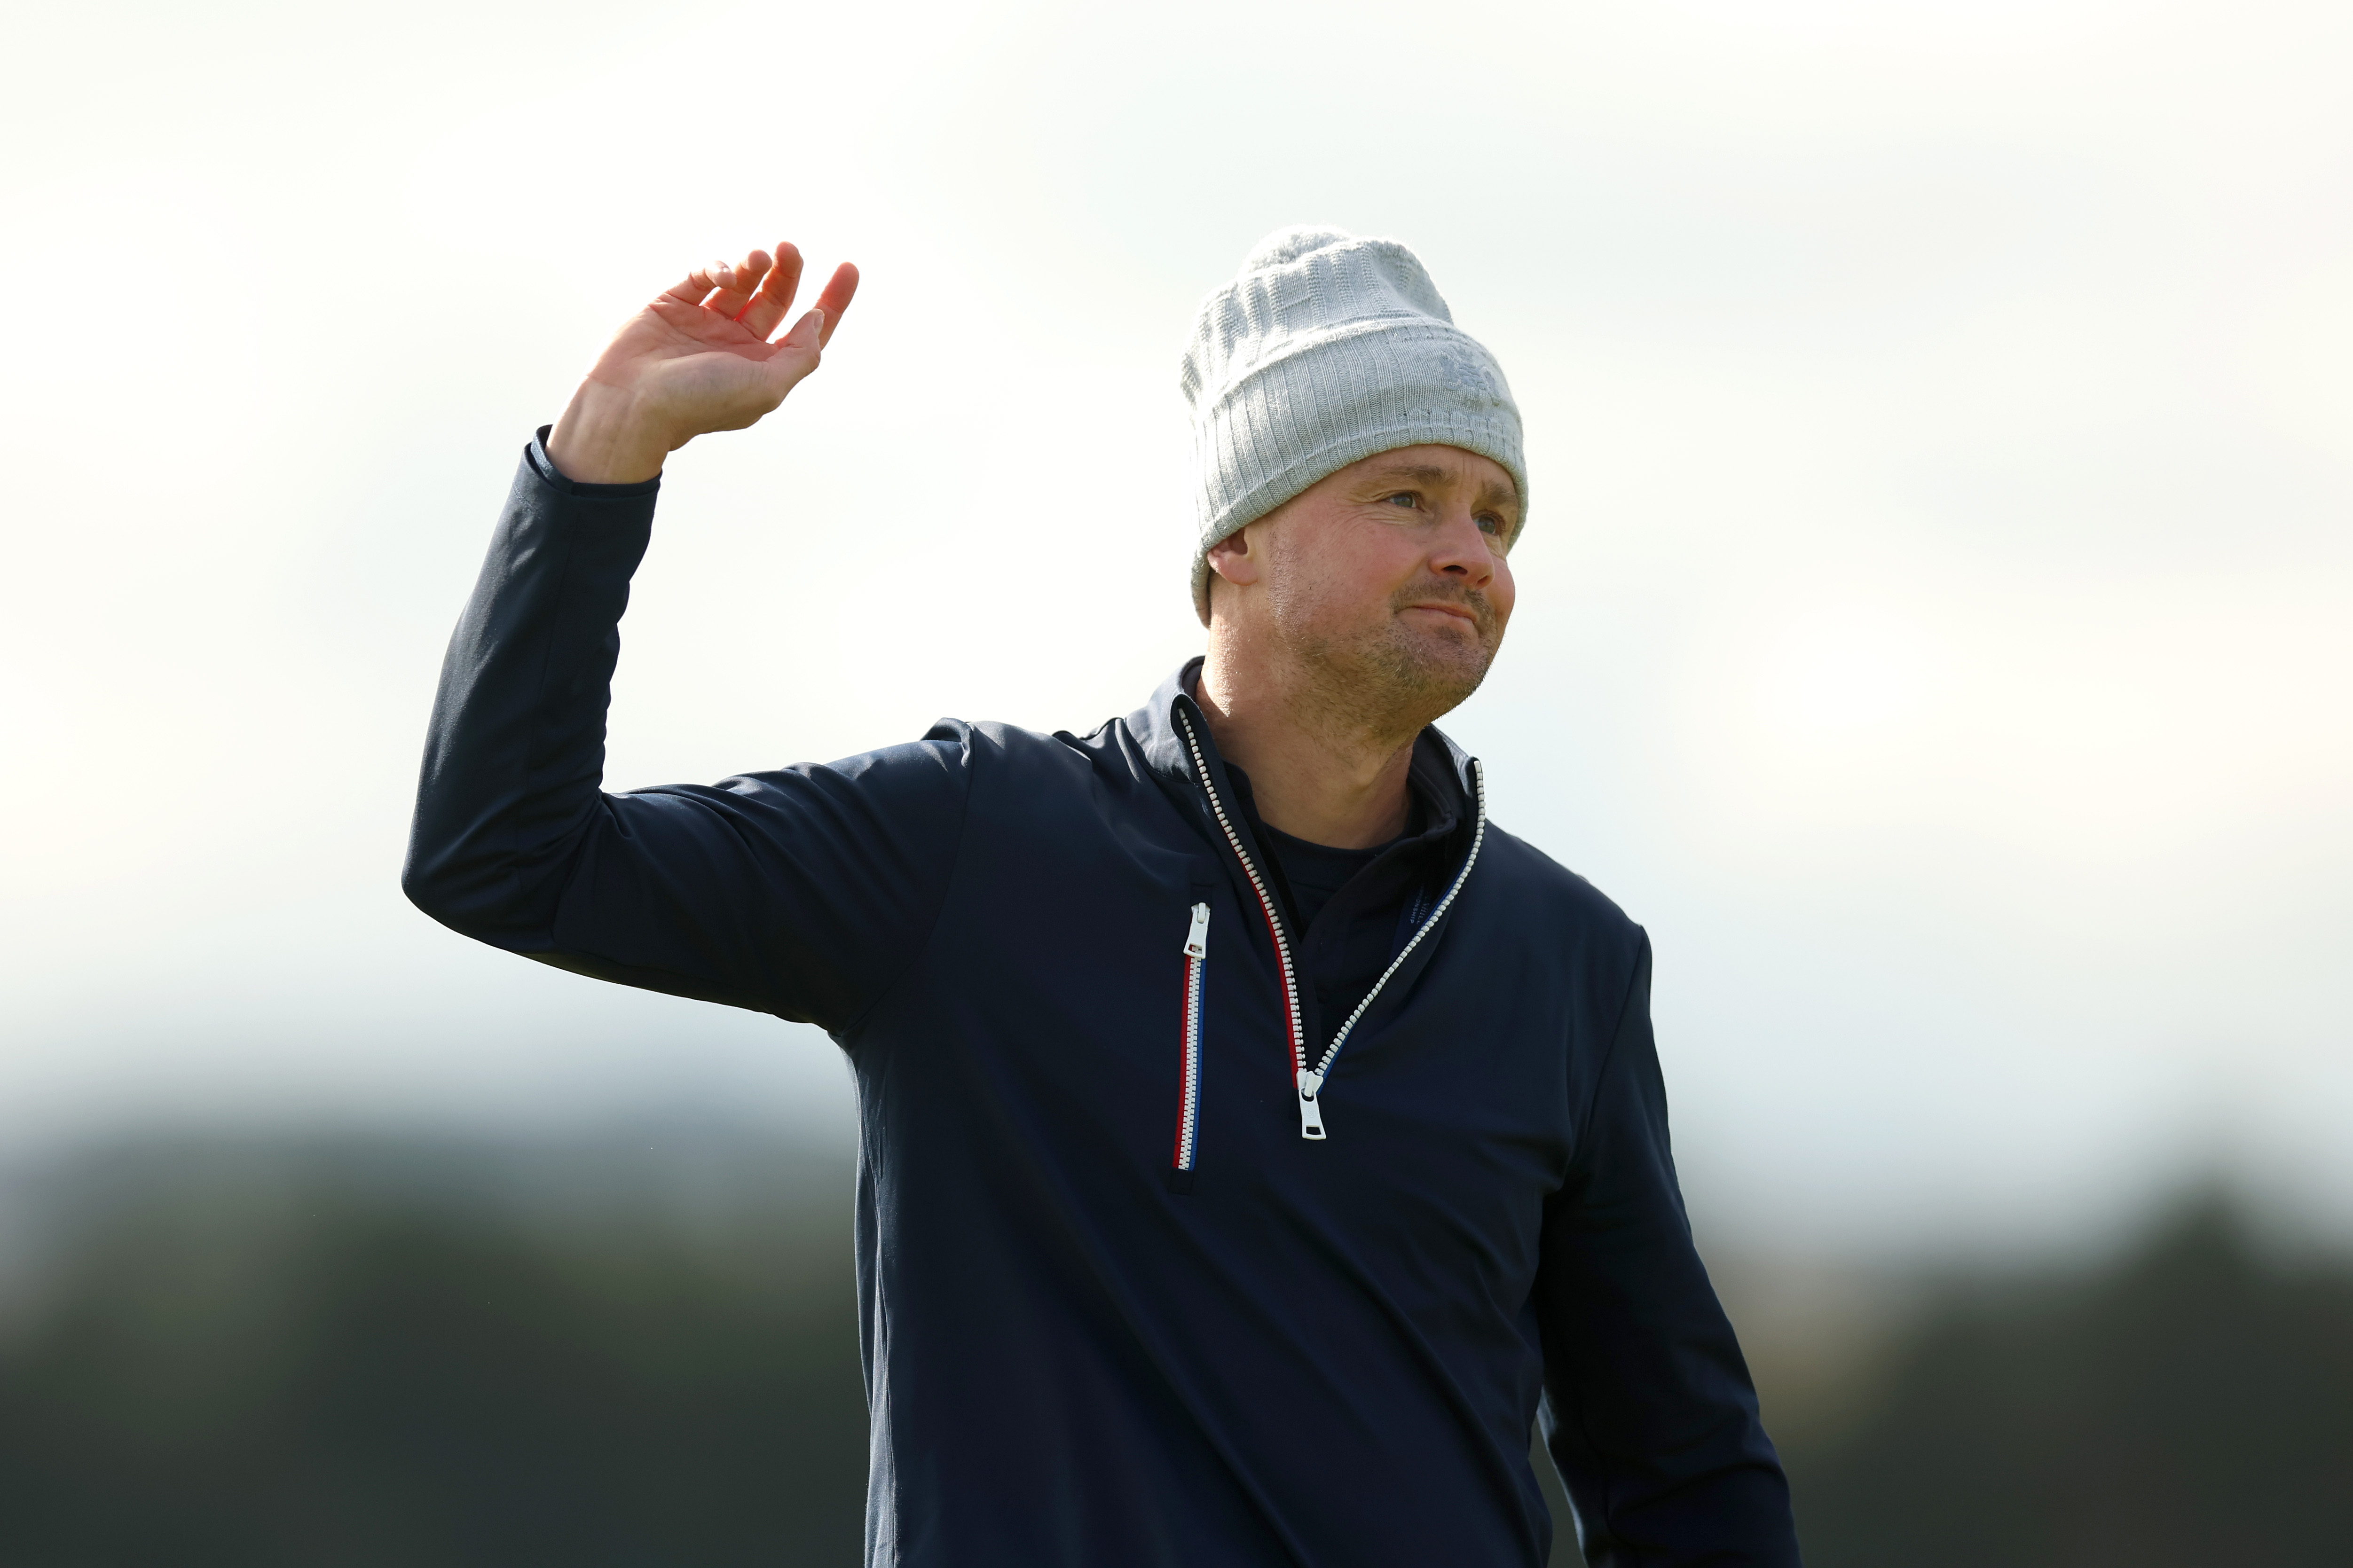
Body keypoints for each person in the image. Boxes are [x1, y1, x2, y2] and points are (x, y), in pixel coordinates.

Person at [404, 225, 1802, 1567]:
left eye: (1496, 514)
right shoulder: (970, 849)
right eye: (1408, 496)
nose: (1474, 553)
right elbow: (504, 853)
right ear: (1236, 541)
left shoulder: (1566, 960)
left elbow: (1684, 1474)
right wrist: (600, 459)